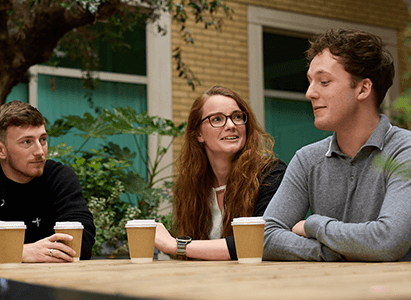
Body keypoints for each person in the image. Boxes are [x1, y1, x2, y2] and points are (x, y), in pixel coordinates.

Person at [263, 28, 411, 261]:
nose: (309, 93)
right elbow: (265, 236)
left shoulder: (405, 151)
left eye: (324, 81)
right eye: (310, 82)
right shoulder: (307, 159)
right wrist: (326, 252)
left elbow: (387, 241)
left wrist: (313, 224)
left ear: (363, 88)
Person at [0, 100, 96, 299]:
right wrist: (26, 252)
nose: (40, 151)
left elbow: (81, 244)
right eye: (26, 142)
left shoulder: (59, 177)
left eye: (43, 139)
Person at [154, 86, 286, 260]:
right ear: (198, 134)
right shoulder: (191, 186)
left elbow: (257, 242)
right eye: (217, 119)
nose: (231, 125)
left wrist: (175, 245)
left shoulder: (270, 174)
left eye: (237, 117)